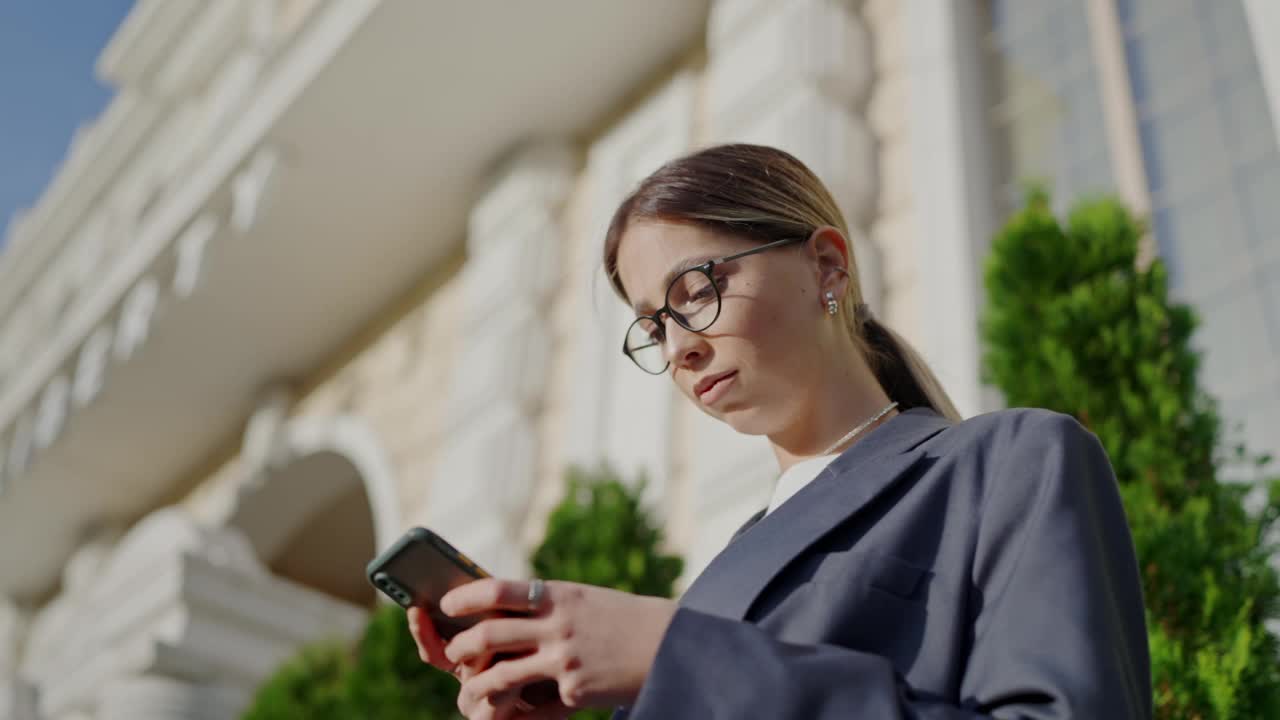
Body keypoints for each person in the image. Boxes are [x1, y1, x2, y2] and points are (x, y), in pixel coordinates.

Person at [407, 143, 1152, 719]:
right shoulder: (716, 582)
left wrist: (677, 653)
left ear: (827, 266)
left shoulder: (1010, 463)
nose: (678, 348)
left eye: (694, 293)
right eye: (652, 326)